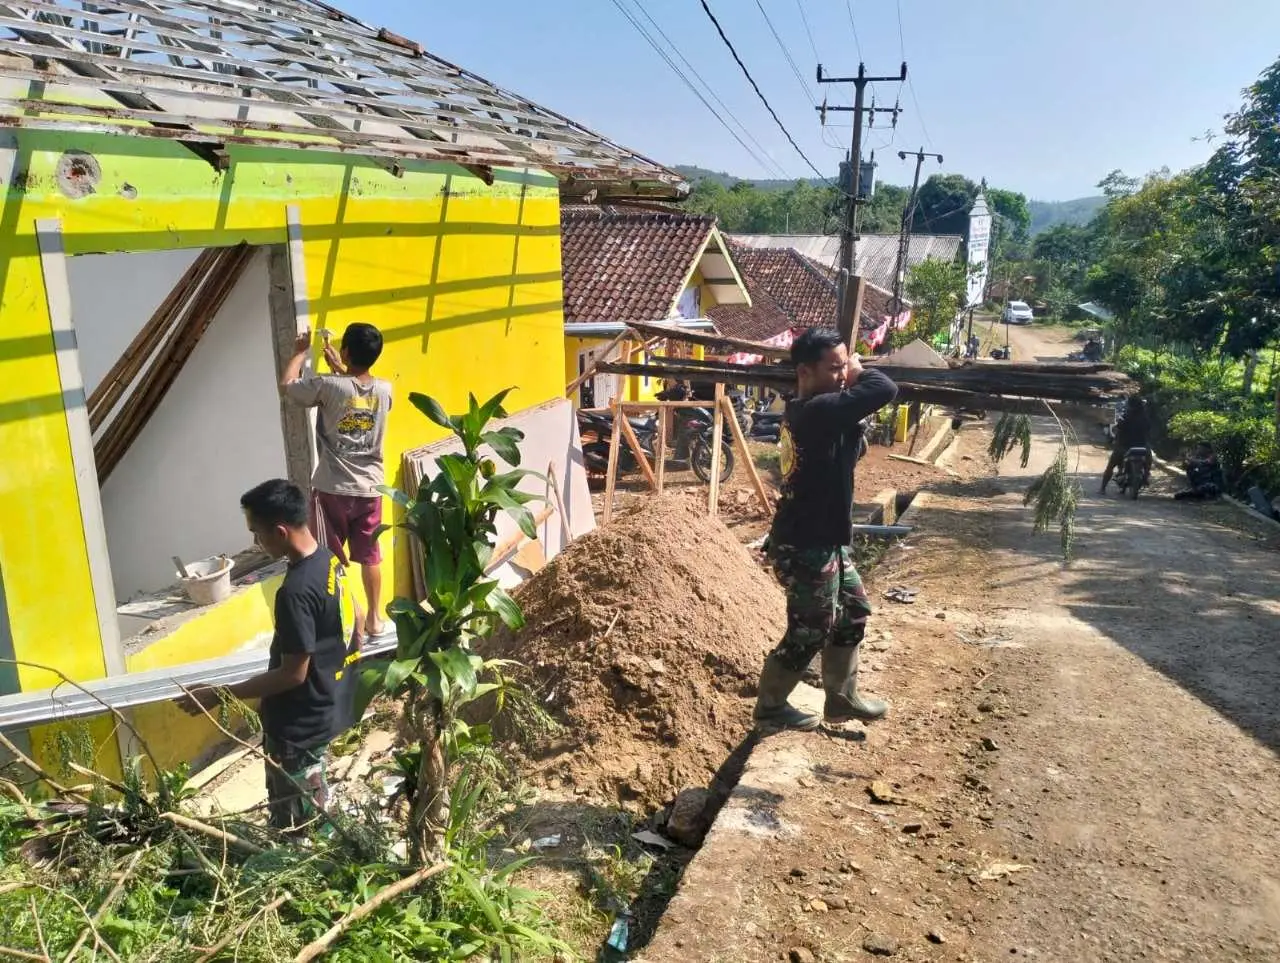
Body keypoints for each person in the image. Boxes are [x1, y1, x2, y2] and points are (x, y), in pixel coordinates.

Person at [181, 479, 361, 831]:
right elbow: (356, 620)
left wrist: (218, 695)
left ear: (279, 532)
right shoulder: (328, 560)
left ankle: (315, 862)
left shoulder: (294, 592)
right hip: (324, 706)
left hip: (298, 726)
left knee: (296, 822)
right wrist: (339, 677)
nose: (255, 543)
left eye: (256, 533)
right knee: (314, 795)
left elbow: (292, 674)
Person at [755, 328, 898, 731]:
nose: (842, 375)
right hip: (804, 543)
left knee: (852, 612)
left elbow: (845, 453)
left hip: (826, 539)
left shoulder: (815, 411)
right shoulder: (814, 412)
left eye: (843, 366)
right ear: (804, 370)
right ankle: (770, 706)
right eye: (834, 368)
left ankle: (841, 699)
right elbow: (883, 387)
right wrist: (858, 371)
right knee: (810, 630)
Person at [281, 323, 393, 638]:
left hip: (333, 488)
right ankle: (374, 619)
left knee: (327, 557)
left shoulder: (327, 385)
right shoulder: (386, 390)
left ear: (345, 351)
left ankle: (337, 621)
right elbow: (356, 392)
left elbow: (288, 385)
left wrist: (300, 352)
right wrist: (342, 370)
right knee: (370, 555)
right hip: (370, 488)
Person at [1101, 396, 1153, 494]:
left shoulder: (1126, 416)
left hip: (1124, 447)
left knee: (1111, 465)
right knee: (1148, 461)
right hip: (1142, 447)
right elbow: (1149, 431)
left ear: (1130, 405)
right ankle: (1146, 477)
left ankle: (1103, 488)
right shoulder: (1145, 417)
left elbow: (1118, 428)